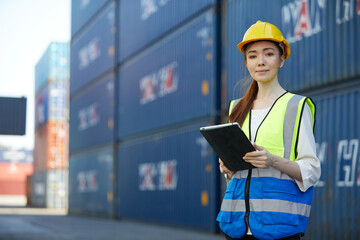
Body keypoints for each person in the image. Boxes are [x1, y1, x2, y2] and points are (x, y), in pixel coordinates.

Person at [216, 21, 321, 240]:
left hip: (278, 227)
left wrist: (272, 160)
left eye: (269, 54)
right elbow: (237, 176)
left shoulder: (296, 106)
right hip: (235, 226)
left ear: (282, 59)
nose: (261, 62)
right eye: (252, 55)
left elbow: (311, 171)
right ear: (246, 62)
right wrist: (228, 166)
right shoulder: (236, 108)